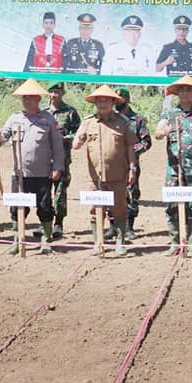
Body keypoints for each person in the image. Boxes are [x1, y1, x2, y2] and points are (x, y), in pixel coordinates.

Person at [0, 79, 64, 255]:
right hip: (19, 174)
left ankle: (45, 240)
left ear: (38, 99)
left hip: (42, 174)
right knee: (18, 208)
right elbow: (3, 135)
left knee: (45, 207)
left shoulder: (48, 119)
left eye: (31, 98)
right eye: (24, 98)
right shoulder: (15, 118)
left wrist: (57, 167)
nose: (27, 101)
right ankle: (18, 240)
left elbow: (57, 146)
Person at [73, 85, 137, 256]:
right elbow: (76, 144)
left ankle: (120, 241)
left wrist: (132, 168)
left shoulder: (123, 122)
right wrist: (78, 141)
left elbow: (131, 146)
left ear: (112, 102)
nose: (102, 104)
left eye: (106, 100)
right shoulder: (88, 122)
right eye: (99, 100)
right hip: (95, 177)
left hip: (118, 175)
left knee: (120, 208)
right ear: (95, 103)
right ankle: (97, 242)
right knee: (95, 209)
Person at [154, 76, 192, 257]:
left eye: (189, 90)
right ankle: (174, 241)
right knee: (172, 204)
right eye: (182, 90)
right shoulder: (169, 114)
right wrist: (163, 131)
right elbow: (157, 132)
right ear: (177, 93)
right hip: (174, 168)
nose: (185, 93)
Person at [110, 87, 152, 241]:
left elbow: (146, 142)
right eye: (115, 98)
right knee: (112, 193)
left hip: (130, 165)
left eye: (120, 97)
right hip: (112, 164)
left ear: (127, 99)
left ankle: (129, 226)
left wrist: (131, 152)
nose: (117, 101)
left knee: (131, 193)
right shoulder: (110, 118)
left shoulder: (137, 120)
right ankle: (113, 226)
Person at [45, 82, 80, 238]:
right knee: (44, 191)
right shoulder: (43, 112)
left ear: (62, 94)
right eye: (51, 92)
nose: (54, 95)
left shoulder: (70, 112)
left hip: (62, 157)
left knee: (60, 191)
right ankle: (45, 222)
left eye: (57, 92)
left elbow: (79, 132)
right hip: (44, 158)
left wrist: (66, 138)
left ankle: (58, 223)